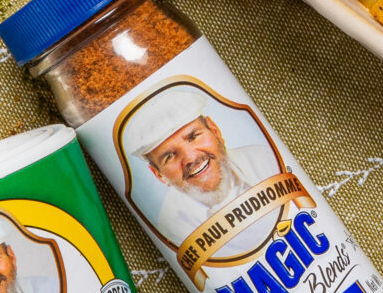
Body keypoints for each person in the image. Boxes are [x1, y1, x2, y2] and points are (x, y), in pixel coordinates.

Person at [122, 87, 302, 239]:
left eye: (193, 137)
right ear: (159, 175)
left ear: (215, 130)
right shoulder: (172, 227)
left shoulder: (264, 160)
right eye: (169, 156)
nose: (191, 158)